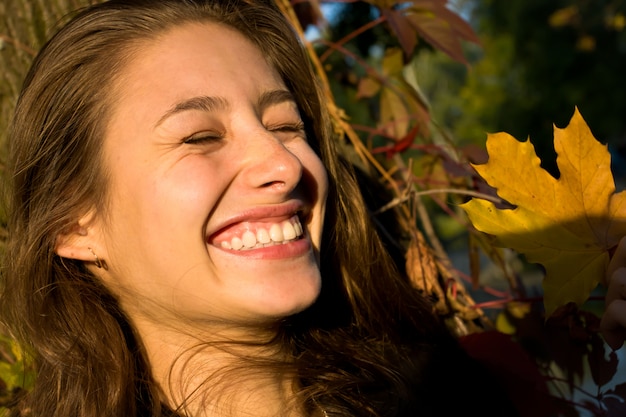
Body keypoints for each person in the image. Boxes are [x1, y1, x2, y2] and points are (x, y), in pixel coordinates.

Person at [1, 0, 519, 416]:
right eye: (200, 137)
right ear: (74, 222)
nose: (285, 164)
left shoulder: (470, 392)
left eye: (286, 127)